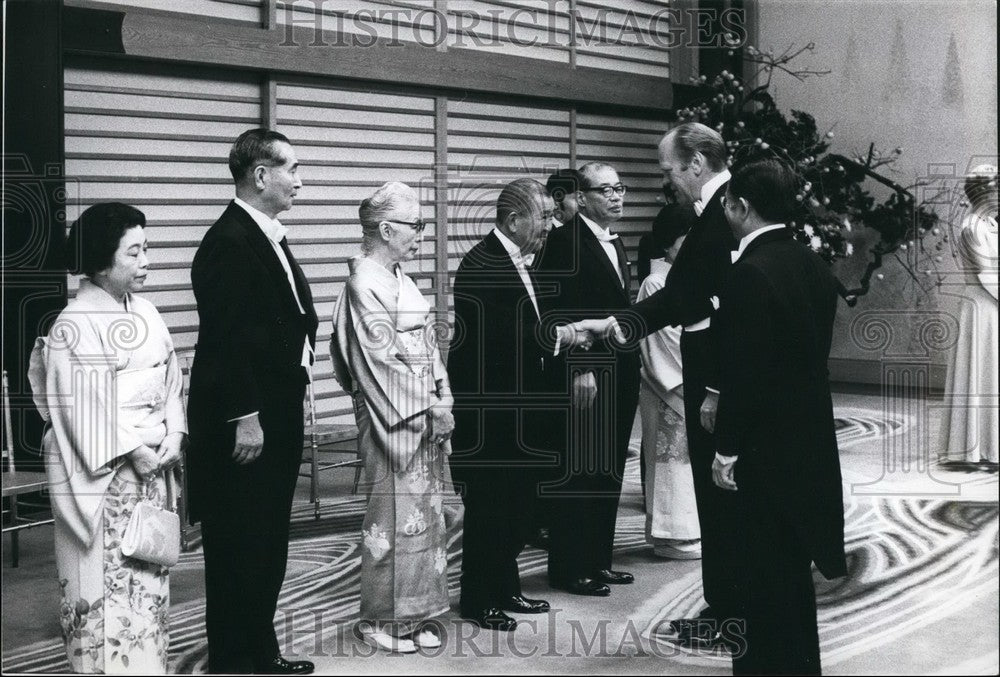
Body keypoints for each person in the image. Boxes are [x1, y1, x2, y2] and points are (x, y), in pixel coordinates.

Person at [562, 123, 741, 643]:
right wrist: (624, 323)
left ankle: (729, 608)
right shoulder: (718, 208)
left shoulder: (725, 209)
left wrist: (622, 324)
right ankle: (724, 604)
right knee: (716, 492)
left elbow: (689, 293)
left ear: (696, 164)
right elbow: (685, 293)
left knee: (722, 494)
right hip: (710, 372)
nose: (667, 184)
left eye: (668, 171)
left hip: (720, 373)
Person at [28, 202, 185, 674]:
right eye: (134, 253)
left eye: (146, 250)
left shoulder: (148, 312)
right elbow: (79, 408)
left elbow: (170, 381)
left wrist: (174, 432)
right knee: (102, 582)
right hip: (107, 475)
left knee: (148, 576)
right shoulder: (74, 324)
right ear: (101, 259)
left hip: (152, 463)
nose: (146, 263)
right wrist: (135, 450)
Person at [186, 129, 317, 674]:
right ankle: (240, 657)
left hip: (273, 411)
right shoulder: (230, 242)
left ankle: (255, 649)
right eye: (292, 170)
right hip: (249, 421)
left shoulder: (264, 234)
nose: (300, 181)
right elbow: (225, 340)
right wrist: (246, 418)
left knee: (264, 539)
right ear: (260, 175)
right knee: (243, 541)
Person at [711, 159, 847, 674]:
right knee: (791, 571)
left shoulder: (749, 272)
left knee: (761, 574)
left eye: (727, 203)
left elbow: (747, 375)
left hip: (764, 446)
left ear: (740, 206)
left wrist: (726, 450)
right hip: (809, 432)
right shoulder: (813, 264)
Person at [330, 181, 454, 653]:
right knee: (392, 514)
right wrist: (429, 405)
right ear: (386, 228)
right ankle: (381, 618)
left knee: (425, 516)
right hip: (393, 415)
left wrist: (444, 393)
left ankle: (418, 611)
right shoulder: (364, 284)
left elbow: (424, 346)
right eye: (416, 225)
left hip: (420, 408)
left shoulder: (401, 279)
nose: (421, 233)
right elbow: (379, 362)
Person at [448, 179, 557, 631]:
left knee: (517, 505)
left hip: (519, 410)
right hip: (493, 414)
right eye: (544, 218)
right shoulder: (482, 265)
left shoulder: (518, 259)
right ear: (514, 221)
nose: (551, 226)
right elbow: (497, 347)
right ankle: (479, 598)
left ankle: (506, 586)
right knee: (491, 508)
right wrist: (557, 340)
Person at [535, 162, 640, 597]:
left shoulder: (615, 243)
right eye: (605, 190)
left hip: (621, 369)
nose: (616, 197)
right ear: (581, 196)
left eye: (620, 188)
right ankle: (570, 566)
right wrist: (582, 366)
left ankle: (598, 559)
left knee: (610, 469)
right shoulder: (562, 242)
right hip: (586, 371)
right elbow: (557, 312)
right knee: (581, 470)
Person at [636, 219, 702, 560]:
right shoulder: (655, 281)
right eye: (683, 238)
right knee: (669, 460)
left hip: (692, 378)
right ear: (667, 245)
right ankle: (671, 534)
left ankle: (691, 530)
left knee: (691, 462)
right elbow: (666, 340)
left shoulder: (693, 275)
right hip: (669, 383)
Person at [939, 164, 998, 464]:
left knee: (992, 374)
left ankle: (991, 445)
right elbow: (988, 273)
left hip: (992, 306)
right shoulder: (972, 227)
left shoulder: (990, 225)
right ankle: (974, 448)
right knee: (980, 372)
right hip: (981, 304)